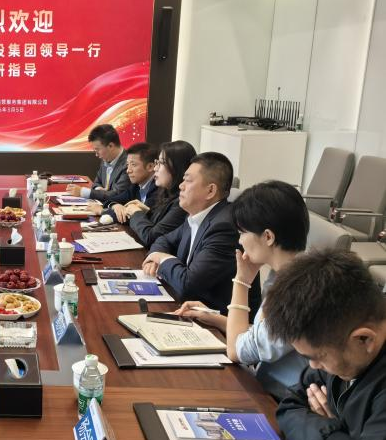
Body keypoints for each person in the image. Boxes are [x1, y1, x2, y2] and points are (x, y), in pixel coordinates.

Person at [265, 250, 386, 440]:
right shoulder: (343, 346)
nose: (313, 366)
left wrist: (335, 434)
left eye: (318, 357)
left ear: (364, 339)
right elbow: (289, 406)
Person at [176, 181, 310, 399]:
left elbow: (236, 351)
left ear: (268, 237)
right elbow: (265, 334)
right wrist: (217, 319)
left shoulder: (296, 291)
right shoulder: (288, 274)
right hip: (266, 388)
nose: (239, 240)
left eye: (242, 232)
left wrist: (242, 280)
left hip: (280, 399)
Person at [143, 152, 249, 312]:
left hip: (216, 319)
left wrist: (161, 258)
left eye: (188, 180)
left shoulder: (224, 227)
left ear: (210, 191)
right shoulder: (196, 215)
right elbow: (164, 240)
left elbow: (188, 284)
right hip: (188, 307)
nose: (181, 186)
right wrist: (155, 258)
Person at [124, 140, 195, 247]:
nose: (155, 168)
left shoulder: (182, 202)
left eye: (161, 163)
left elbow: (151, 237)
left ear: (177, 168)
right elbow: (156, 227)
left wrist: (136, 213)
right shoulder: (166, 192)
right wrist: (147, 213)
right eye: (157, 162)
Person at [90, 142, 159, 223]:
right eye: (127, 165)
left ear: (150, 167)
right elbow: (111, 200)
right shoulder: (135, 186)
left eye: (133, 165)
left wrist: (102, 211)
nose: (128, 170)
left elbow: (134, 217)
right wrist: (115, 205)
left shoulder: (158, 189)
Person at [65, 124, 129, 201]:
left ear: (110, 146)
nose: (96, 154)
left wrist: (82, 192)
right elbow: (96, 182)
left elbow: (117, 195)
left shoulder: (129, 164)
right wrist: (99, 190)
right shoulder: (106, 156)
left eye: (97, 150)